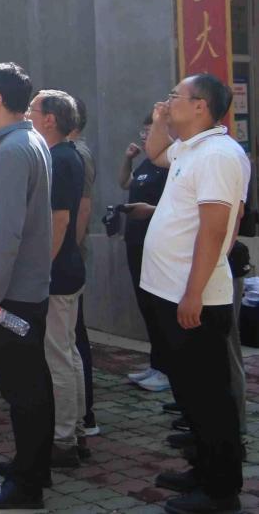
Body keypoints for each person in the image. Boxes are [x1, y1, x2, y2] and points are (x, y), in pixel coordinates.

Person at [138, 75, 248, 514]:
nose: (167, 102)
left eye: (175, 97)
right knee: (189, 395)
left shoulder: (219, 154)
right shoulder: (191, 147)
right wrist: (160, 120)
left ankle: (221, 491)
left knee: (210, 398)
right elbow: (155, 153)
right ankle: (202, 469)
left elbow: (215, 230)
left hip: (194, 297)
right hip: (168, 290)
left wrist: (194, 293)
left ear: (200, 106)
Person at [0, 63, 55, 510]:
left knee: (23, 388)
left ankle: (27, 484)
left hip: (11, 294)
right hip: (18, 289)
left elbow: (7, 232)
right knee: (28, 384)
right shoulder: (21, 142)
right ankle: (31, 465)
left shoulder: (15, 150)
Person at [28, 90, 88, 468]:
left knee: (58, 358)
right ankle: (76, 429)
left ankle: (64, 440)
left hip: (58, 274)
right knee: (68, 351)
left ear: (50, 119)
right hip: (67, 269)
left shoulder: (59, 158)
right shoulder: (66, 154)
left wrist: (41, 270)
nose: (29, 116)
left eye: (33, 110)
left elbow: (60, 220)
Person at [119, 115, 172, 391]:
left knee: (160, 308)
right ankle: (156, 364)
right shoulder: (146, 163)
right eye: (144, 131)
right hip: (136, 241)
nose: (145, 137)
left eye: (150, 131)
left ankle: (168, 371)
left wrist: (149, 211)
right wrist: (127, 159)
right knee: (146, 306)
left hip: (159, 244)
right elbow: (125, 183)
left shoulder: (171, 164)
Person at [67, 99, 98, 435]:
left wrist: (68, 252)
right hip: (66, 256)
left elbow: (83, 209)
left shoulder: (78, 153)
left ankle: (84, 413)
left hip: (69, 258)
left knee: (75, 337)